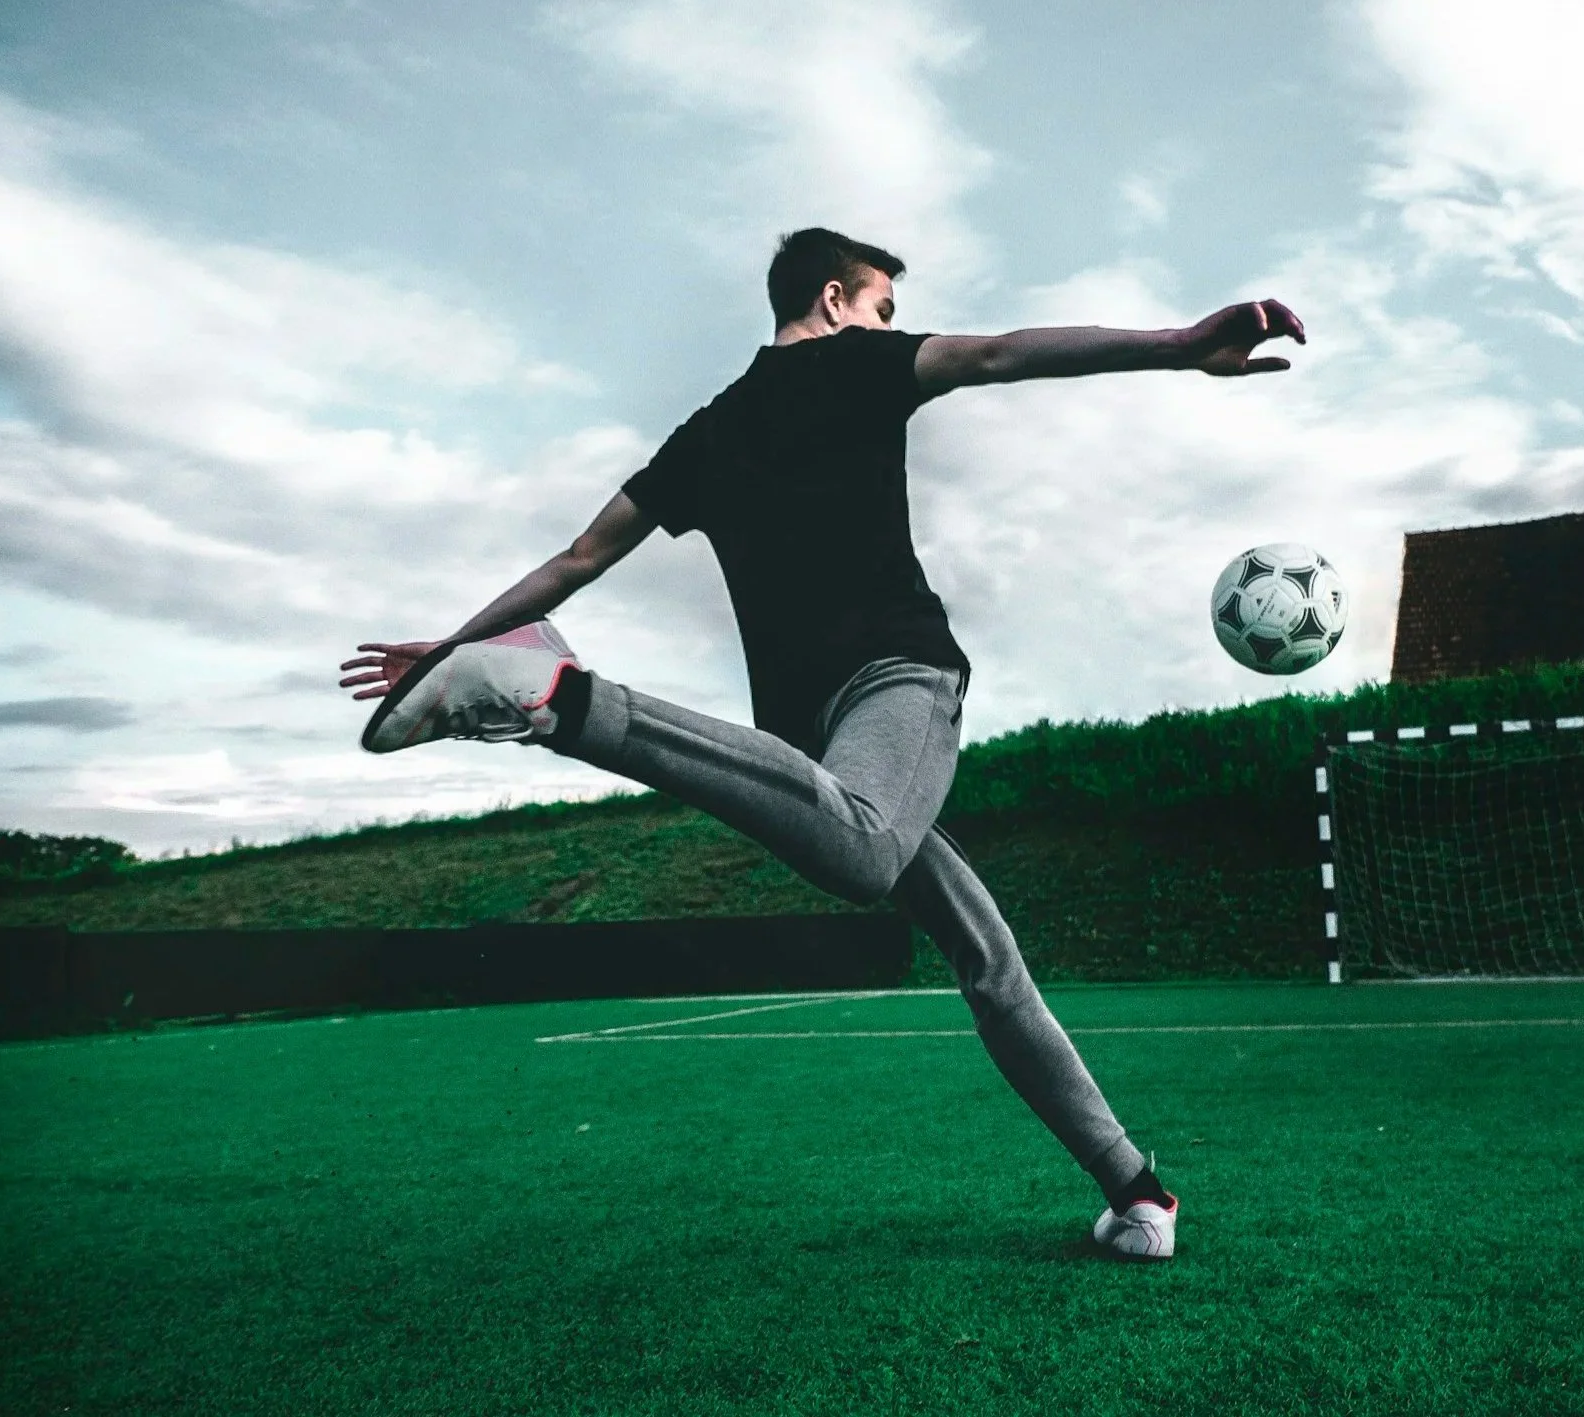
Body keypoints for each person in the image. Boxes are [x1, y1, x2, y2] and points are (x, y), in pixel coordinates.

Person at [340, 227, 1305, 1260]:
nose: (892, 324)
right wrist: (1176, 344)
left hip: (820, 740)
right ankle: (572, 705)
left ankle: (1135, 1190)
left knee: (985, 954)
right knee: (863, 851)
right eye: (885, 305)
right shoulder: (862, 363)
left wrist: (457, 646)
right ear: (837, 300)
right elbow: (998, 353)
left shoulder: (706, 433)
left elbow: (577, 559)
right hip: (898, 678)